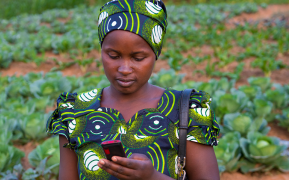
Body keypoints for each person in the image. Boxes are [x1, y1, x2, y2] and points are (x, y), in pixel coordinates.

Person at [46, 0, 220, 179]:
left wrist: (152, 177)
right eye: (113, 56)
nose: (125, 69)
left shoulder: (184, 110)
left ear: (155, 54)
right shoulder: (75, 111)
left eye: (138, 58)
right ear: (101, 51)